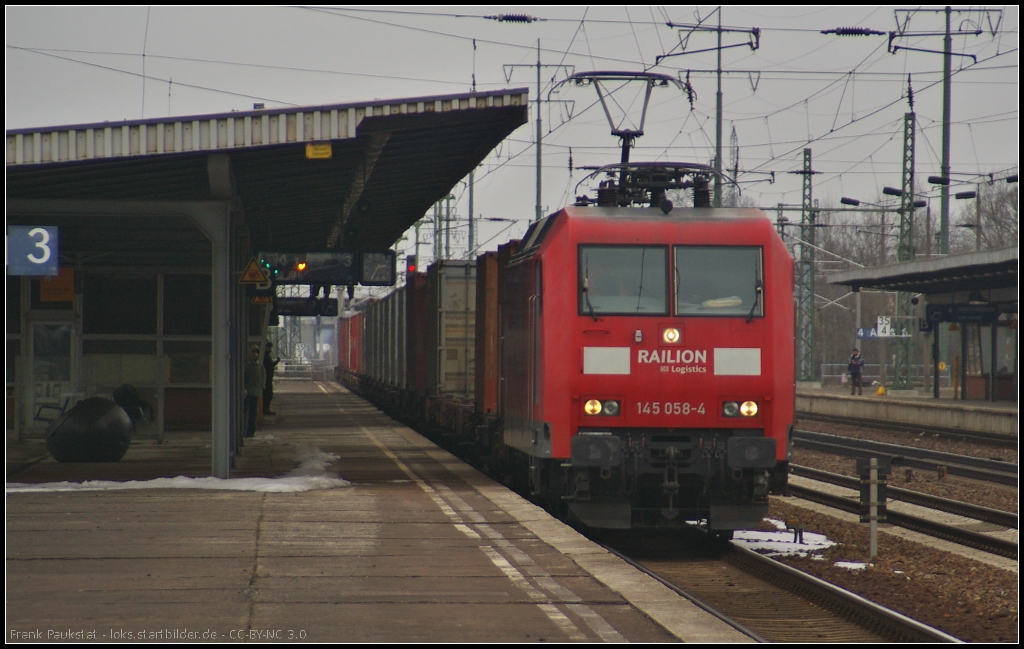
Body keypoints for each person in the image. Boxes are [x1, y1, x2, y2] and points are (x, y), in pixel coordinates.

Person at [244, 344, 265, 438]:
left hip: (256, 393)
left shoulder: (259, 365)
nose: (255, 354)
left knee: (253, 413)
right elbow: (243, 376)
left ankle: (251, 432)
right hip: (247, 393)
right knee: (245, 413)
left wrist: (262, 386)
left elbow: (263, 375)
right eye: (253, 352)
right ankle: (244, 430)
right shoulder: (247, 365)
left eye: (256, 352)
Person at [262, 342, 280, 415]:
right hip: (267, 380)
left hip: (268, 379)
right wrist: (277, 361)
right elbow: (270, 365)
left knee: (269, 394)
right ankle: (265, 409)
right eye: (269, 347)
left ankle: (266, 409)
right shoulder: (265, 357)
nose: (270, 349)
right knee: (268, 394)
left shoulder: (266, 356)